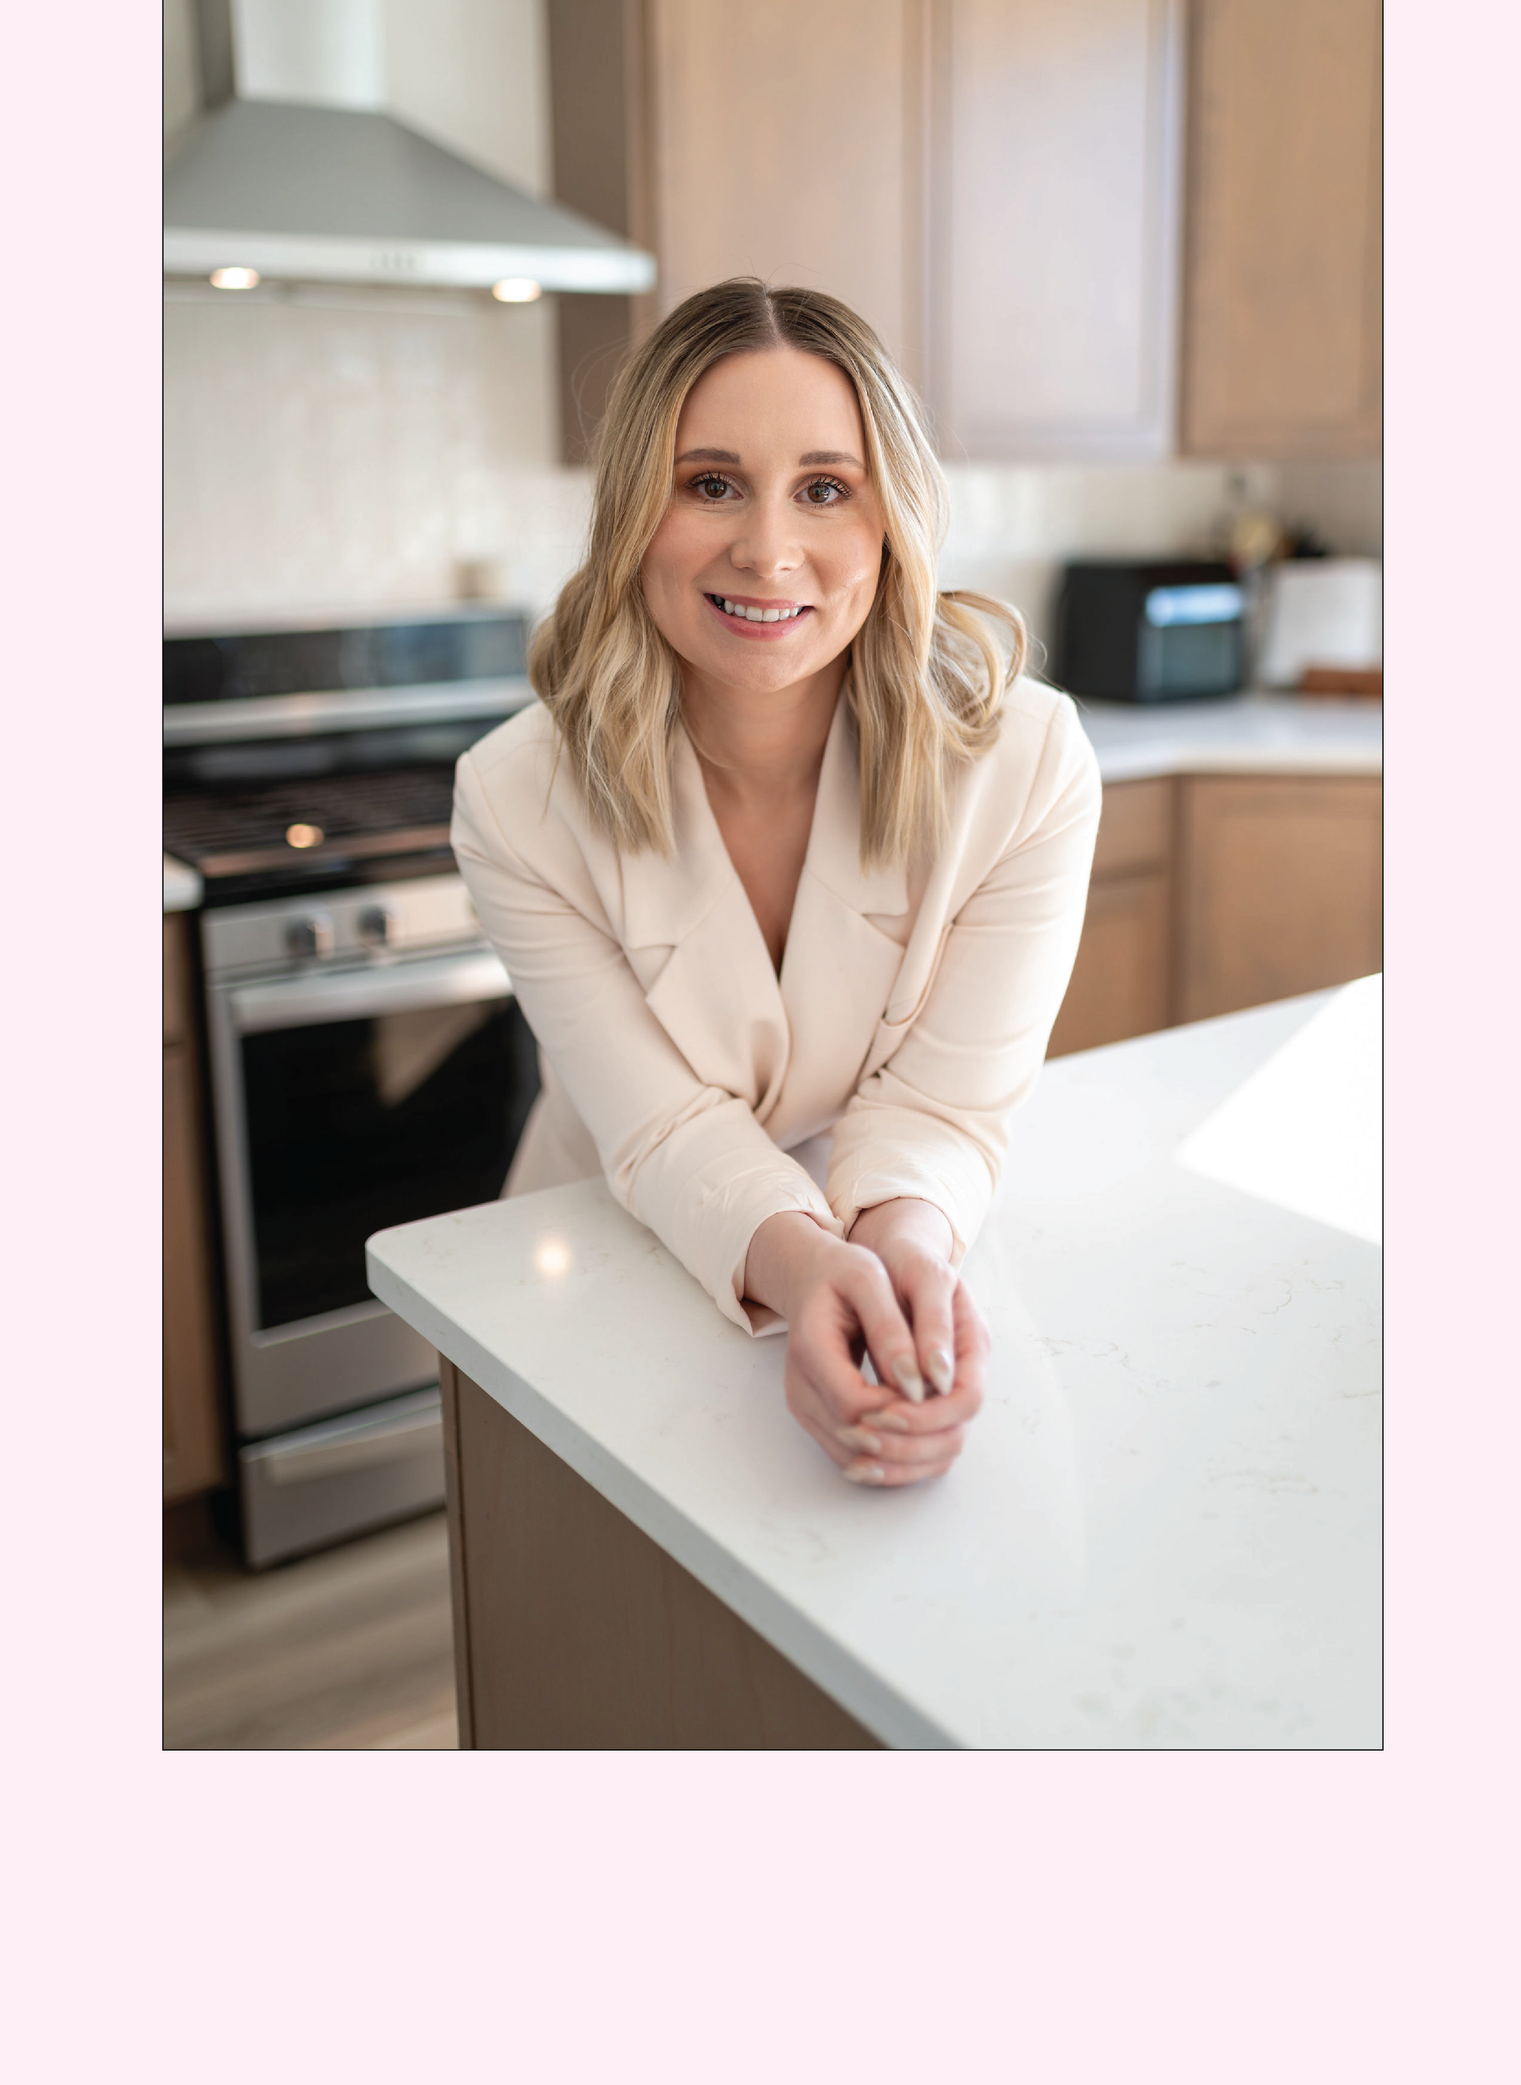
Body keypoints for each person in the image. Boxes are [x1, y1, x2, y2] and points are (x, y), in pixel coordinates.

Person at [450, 278, 1099, 1487]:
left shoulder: (1025, 764)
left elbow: (946, 1109)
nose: (766, 548)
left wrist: (900, 1259)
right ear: (636, 513)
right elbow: (660, 1124)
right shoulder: (515, 797)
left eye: (823, 487)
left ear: (890, 519)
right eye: (709, 484)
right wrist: (807, 1275)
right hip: (610, 1242)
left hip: (887, 1223)